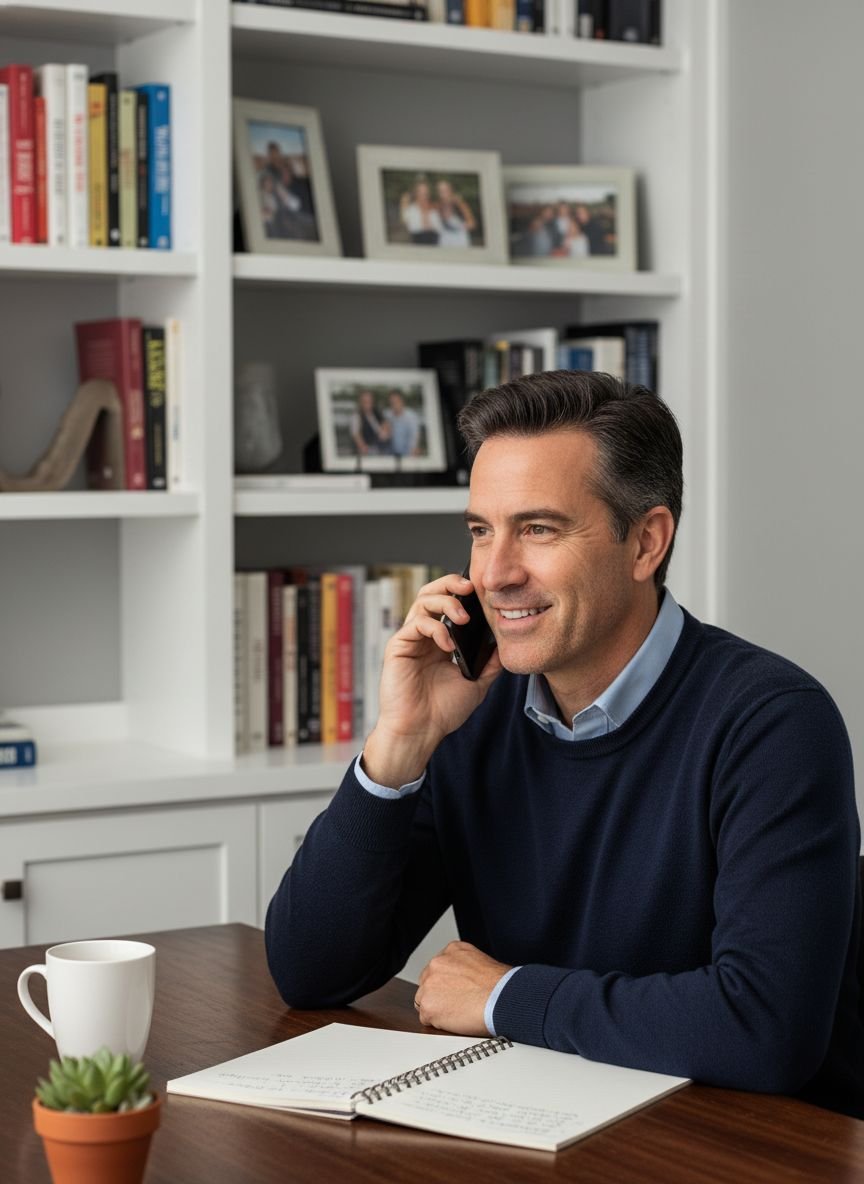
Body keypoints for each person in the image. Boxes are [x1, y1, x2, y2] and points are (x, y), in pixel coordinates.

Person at [265, 370, 864, 1119]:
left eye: (539, 529)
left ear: (646, 542)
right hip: (545, 1121)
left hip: (738, 1148)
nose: (495, 574)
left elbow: (767, 1029)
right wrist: (400, 745)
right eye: (481, 530)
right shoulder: (472, 708)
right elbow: (310, 970)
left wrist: (507, 996)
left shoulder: (772, 722)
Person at [435, 179, 476, 249]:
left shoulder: (460, 204)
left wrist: (459, 226)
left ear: (451, 190)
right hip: (445, 242)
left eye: (445, 190)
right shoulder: (437, 205)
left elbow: (472, 224)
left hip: (459, 242)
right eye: (440, 191)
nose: (443, 193)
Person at [349, 389, 390, 457]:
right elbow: (356, 436)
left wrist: (386, 431)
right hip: (368, 452)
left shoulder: (376, 412)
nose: (368, 403)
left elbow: (386, 426)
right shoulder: (356, 417)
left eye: (370, 400)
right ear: (360, 402)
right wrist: (365, 449)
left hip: (382, 448)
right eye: (365, 401)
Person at [384, 389, 421, 458]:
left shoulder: (411, 417)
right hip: (391, 453)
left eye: (396, 402)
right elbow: (384, 434)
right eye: (391, 403)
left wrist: (411, 455)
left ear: (402, 401)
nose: (394, 405)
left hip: (407, 453)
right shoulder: (387, 414)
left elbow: (414, 438)